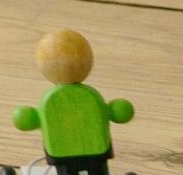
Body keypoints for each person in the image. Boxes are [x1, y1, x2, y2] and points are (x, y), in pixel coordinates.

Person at [13, 28, 138, 170]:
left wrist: (26, 118)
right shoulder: (91, 96)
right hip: (96, 151)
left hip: (64, 153)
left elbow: (26, 119)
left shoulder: (50, 101)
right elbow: (119, 111)